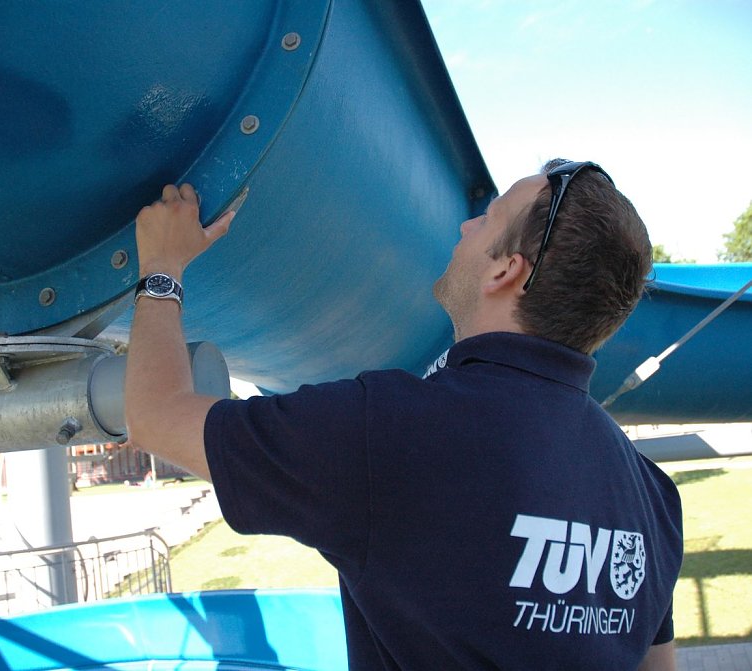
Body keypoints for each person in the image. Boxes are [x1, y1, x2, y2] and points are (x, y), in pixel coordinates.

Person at [124, 160, 683, 671]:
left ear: (506, 271)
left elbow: (156, 417)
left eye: (486, 219)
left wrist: (162, 266)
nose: (466, 228)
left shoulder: (390, 431)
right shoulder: (654, 496)